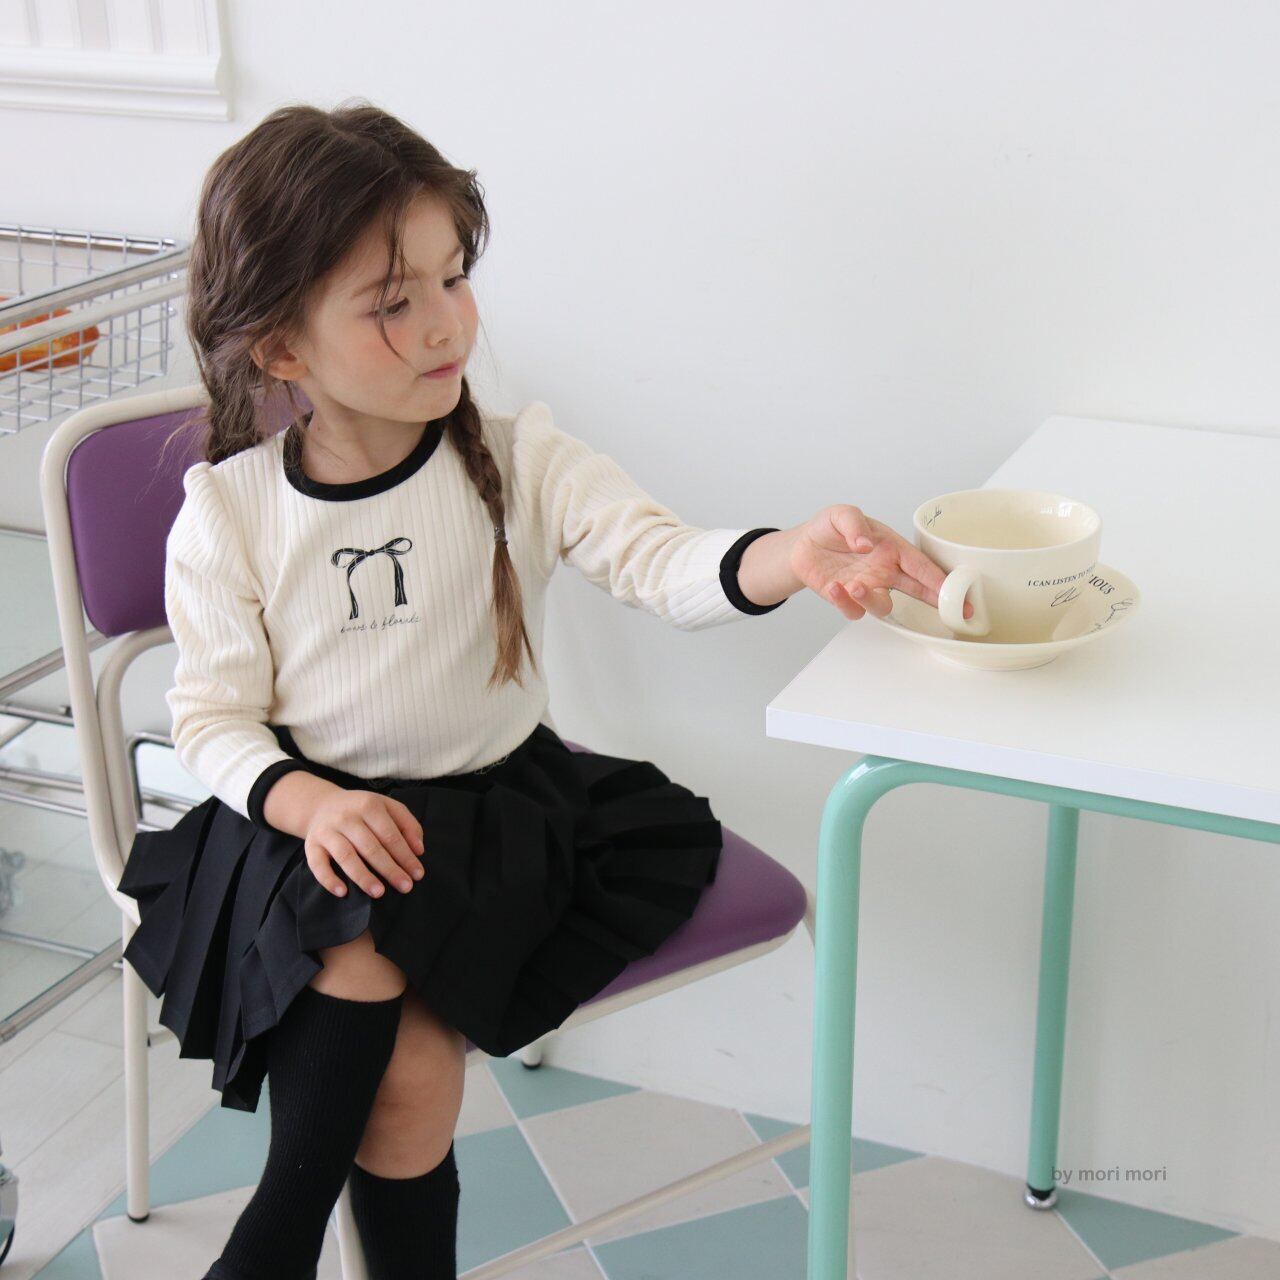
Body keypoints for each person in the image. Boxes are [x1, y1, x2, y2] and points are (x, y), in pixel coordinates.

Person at [116, 99, 966, 1280]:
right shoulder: (233, 511)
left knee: (410, 1069)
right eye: (391, 300)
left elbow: (658, 559)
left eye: (452, 278)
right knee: (357, 952)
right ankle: (279, 1238)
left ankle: (268, 1249)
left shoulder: (522, 459)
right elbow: (209, 718)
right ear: (281, 348)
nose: (442, 323)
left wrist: (788, 553)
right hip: (301, 819)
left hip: (487, 821)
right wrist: (311, 803)